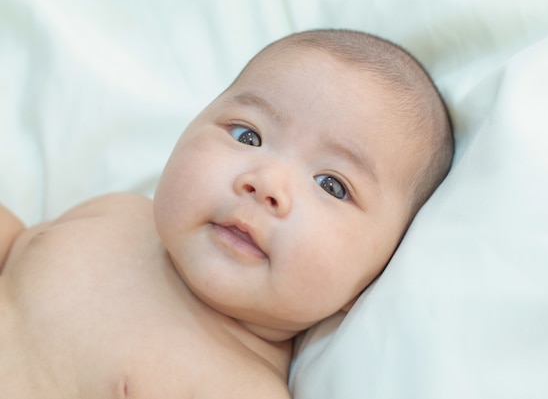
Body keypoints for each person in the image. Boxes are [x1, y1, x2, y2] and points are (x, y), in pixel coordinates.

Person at [0, 29, 453, 398]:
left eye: (331, 185)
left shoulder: (236, 386)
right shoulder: (114, 214)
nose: (266, 183)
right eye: (247, 135)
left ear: (373, 277)